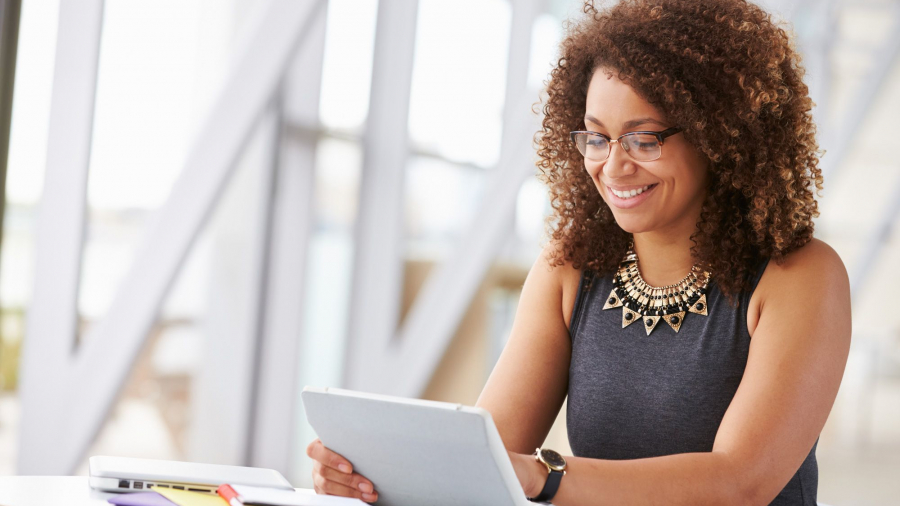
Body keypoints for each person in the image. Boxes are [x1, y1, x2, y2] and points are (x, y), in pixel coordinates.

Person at [306, 0, 851, 503]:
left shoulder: (799, 276)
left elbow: (741, 482)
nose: (613, 167)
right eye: (596, 137)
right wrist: (373, 473)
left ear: (720, 136)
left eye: (644, 139)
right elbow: (482, 460)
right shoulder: (570, 269)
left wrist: (546, 475)